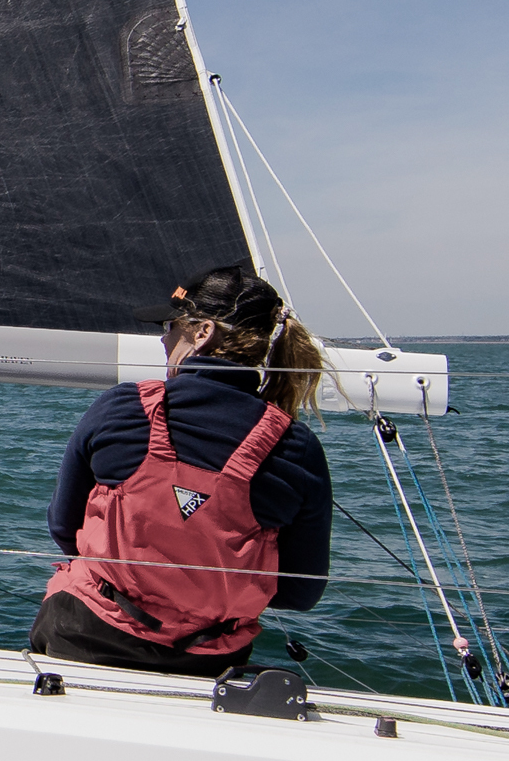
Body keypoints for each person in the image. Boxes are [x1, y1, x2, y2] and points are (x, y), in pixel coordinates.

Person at [34, 262, 335, 675]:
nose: (163, 337)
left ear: (202, 331)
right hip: (207, 661)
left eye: (171, 325)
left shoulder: (122, 407)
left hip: (86, 636)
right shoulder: (296, 446)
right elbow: (300, 592)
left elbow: (64, 529)